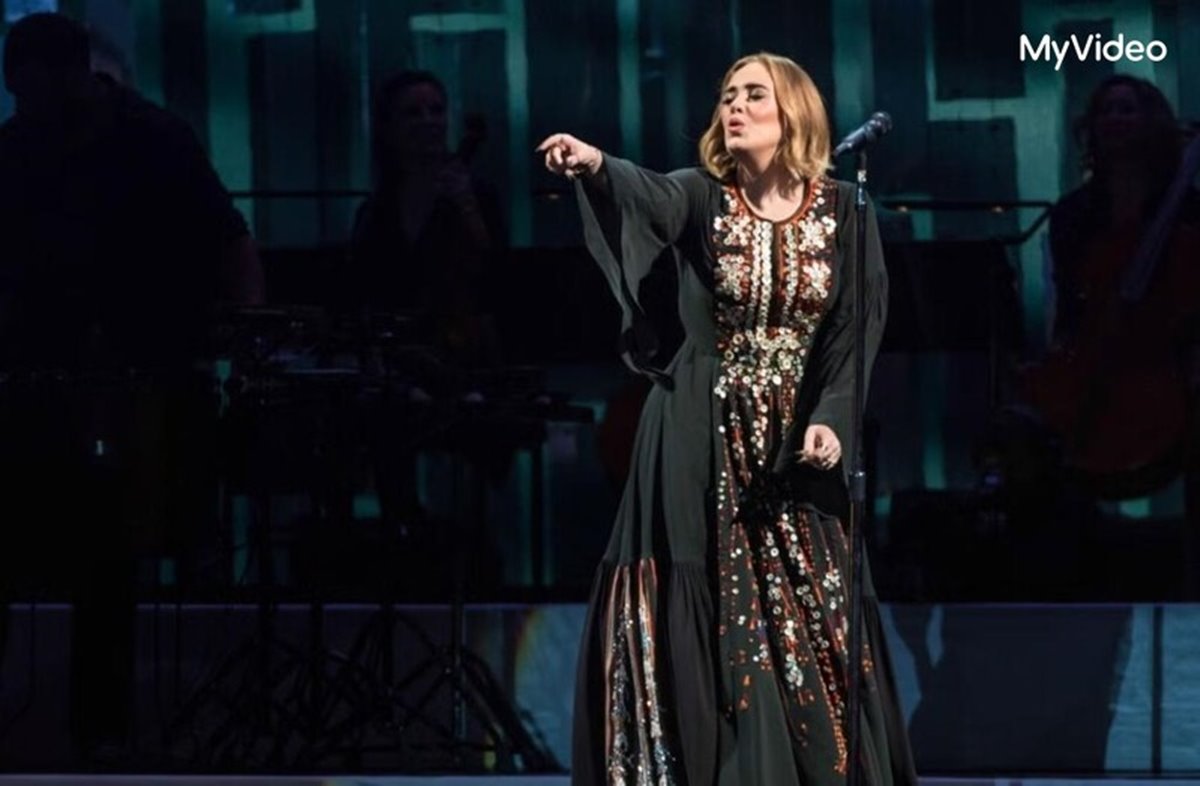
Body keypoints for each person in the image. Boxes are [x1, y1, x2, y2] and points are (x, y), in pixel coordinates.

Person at [539, 52, 916, 786]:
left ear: (794, 112)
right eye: (727, 96)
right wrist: (596, 165)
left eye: (754, 95)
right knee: (705, 594)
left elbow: (853, 333)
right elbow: (648, 195)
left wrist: (833, 418)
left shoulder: (846, 210)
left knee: (808, 602)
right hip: (695, 429)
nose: (734, 107)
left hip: (796, 441)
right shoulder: (702, 197)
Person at [0, 11, 262, 762]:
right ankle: (99, 734)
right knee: (94, 553)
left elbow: (227, 240)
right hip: (60, 376)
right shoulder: (38, 144)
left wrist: (247, 339)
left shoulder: (149, 140)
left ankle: (100, 731)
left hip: (130, 378)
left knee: (106, 552)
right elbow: (230, 239)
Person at [349, 69, 505, 370]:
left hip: (465, 356)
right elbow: (363, 287)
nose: (429, 121)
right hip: (395, 355)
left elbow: (496, 272)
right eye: (413, 113)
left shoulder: (477, 196)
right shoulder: (377, 208)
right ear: (389, 127)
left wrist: (466, 205)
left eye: (436, 111)